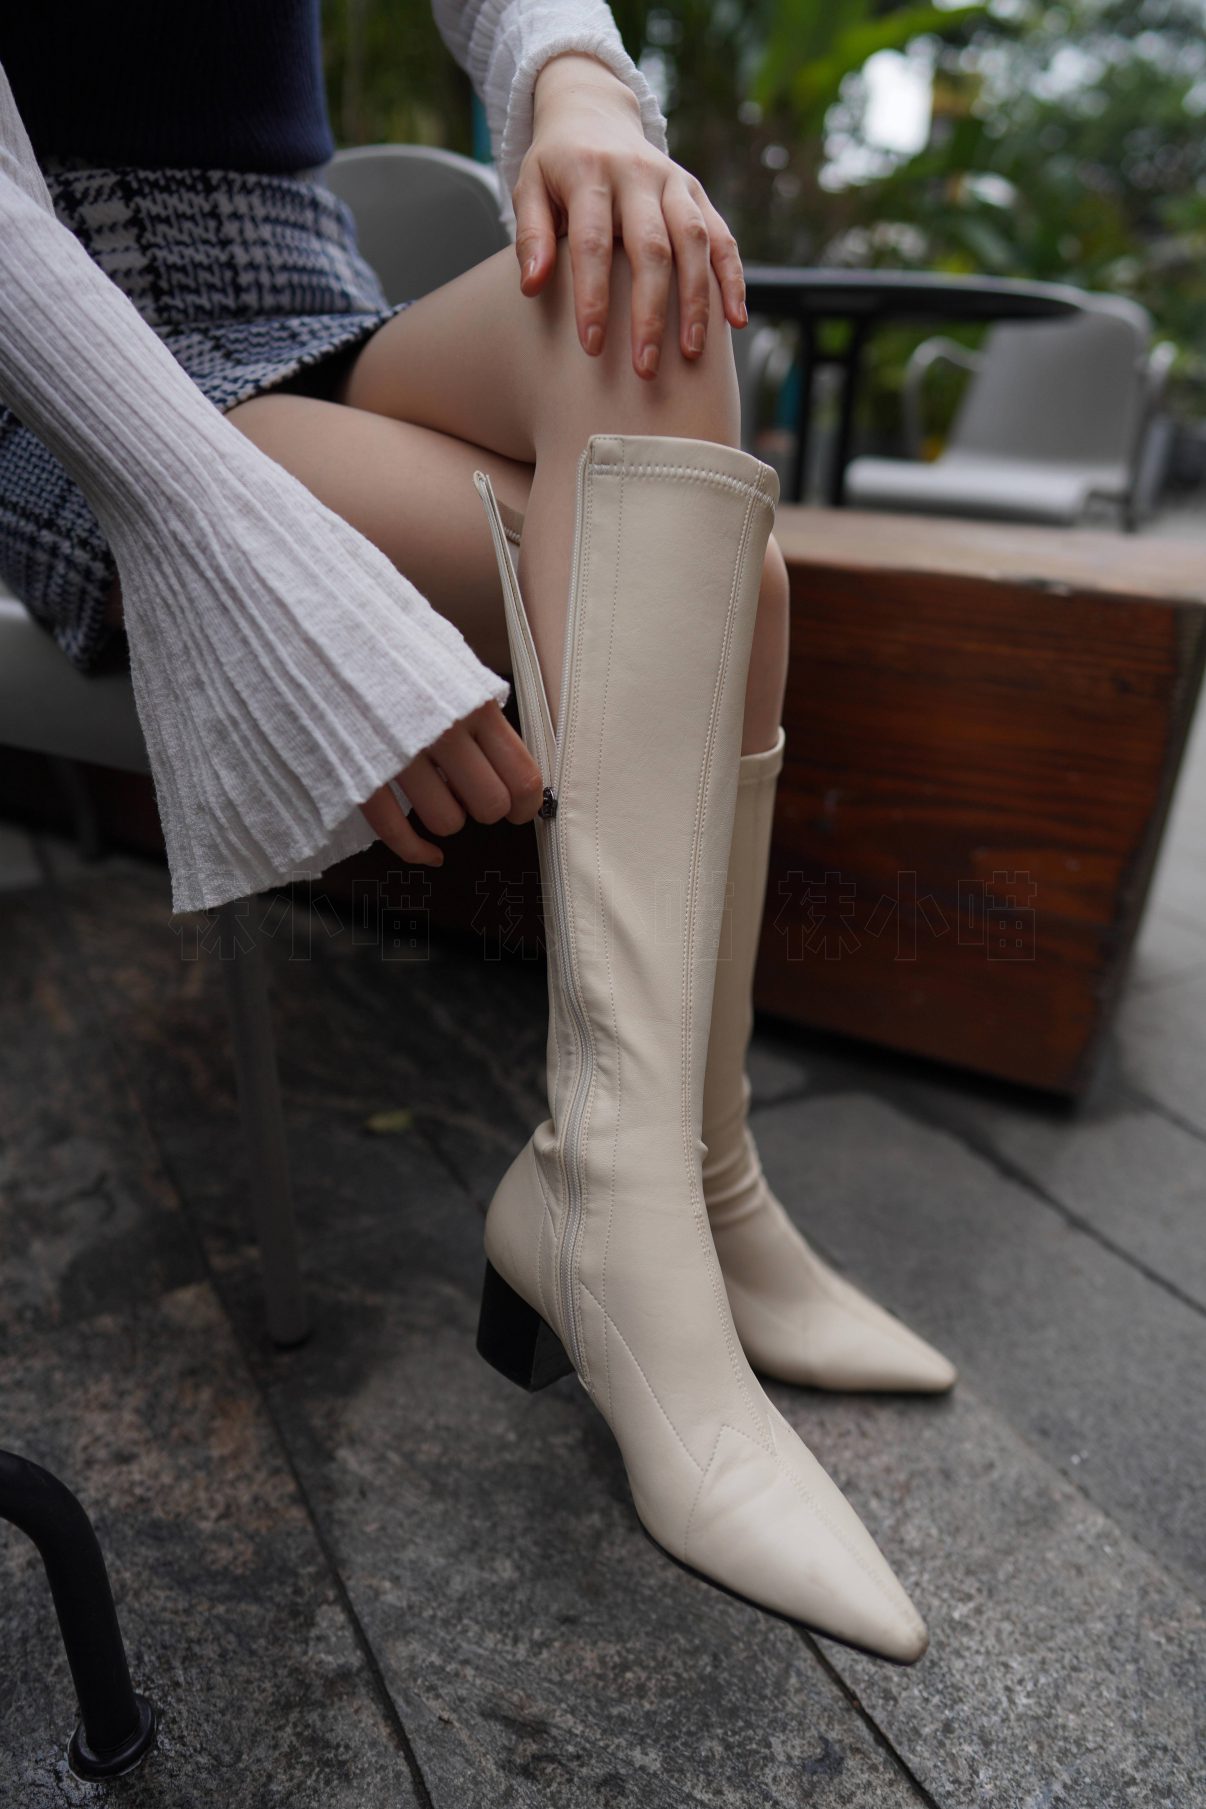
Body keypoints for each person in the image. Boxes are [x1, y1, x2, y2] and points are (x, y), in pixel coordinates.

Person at [0, 2, 955, 1661]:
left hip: (310, 298)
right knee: (734, 576)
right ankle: (648, 1202)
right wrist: (245, 554)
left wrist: (576, 91)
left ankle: (679, 1181)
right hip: (76, 364)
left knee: (641, 279)